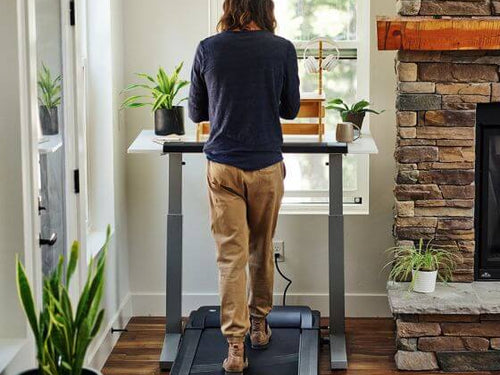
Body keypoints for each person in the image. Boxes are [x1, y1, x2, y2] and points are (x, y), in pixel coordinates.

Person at [188, 0, 300, 372]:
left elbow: (196, 112)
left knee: (230, 257)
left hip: (222, 166)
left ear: (230, 7)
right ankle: (258, 326)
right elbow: (291, 109)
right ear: (264, 8)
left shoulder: (208, 48)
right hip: (266, 165)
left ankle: (235, 348)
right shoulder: (281, 48)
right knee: (261, 247)